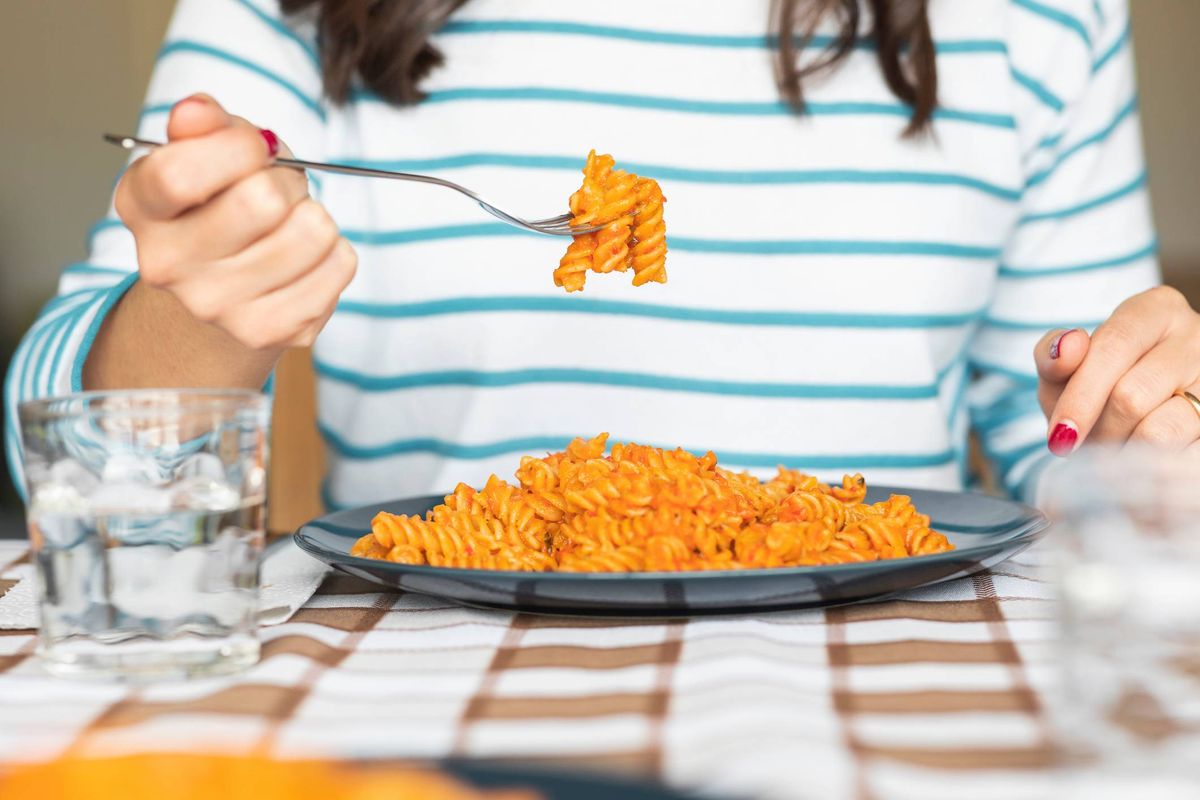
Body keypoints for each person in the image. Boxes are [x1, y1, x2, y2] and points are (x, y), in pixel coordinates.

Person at [6, 0, 1198, 508]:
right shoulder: (290, 4)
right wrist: (206, 311)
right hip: (424, 716)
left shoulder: (1040, 17)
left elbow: (1082, 458)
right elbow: (60, 459)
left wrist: (1151, 422)